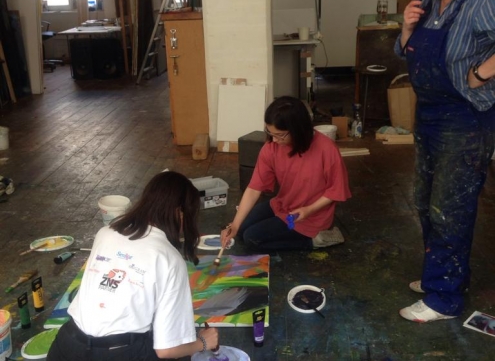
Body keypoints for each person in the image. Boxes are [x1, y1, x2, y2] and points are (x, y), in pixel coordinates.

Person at [395, 0, 495, 323]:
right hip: (429, 114)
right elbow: (406, 51)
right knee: (425, 201)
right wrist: (407, 28)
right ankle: (443, 277)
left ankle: (444, 299)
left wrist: (482, 72)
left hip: (464, 118)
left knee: (449, 207)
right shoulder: (434, 0)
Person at [47, 171, 219, 360]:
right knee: (183, 351)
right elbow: (167, 350)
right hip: (119, 353)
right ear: (179, 213)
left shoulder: (105, 232)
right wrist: (203, 342)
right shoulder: (169, 257)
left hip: (66, 345)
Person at [221, 96, 351, 252]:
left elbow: (336, 190)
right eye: (270, 133)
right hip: (283, 205)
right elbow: (254, 188)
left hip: (310, 215)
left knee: (252, 238)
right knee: (241, 230)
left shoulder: (327, 149)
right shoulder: (271, 147)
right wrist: (234, 225)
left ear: (297, 130)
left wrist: (308, 210)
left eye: (280, 135)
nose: (274, 140)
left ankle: (314, 241)